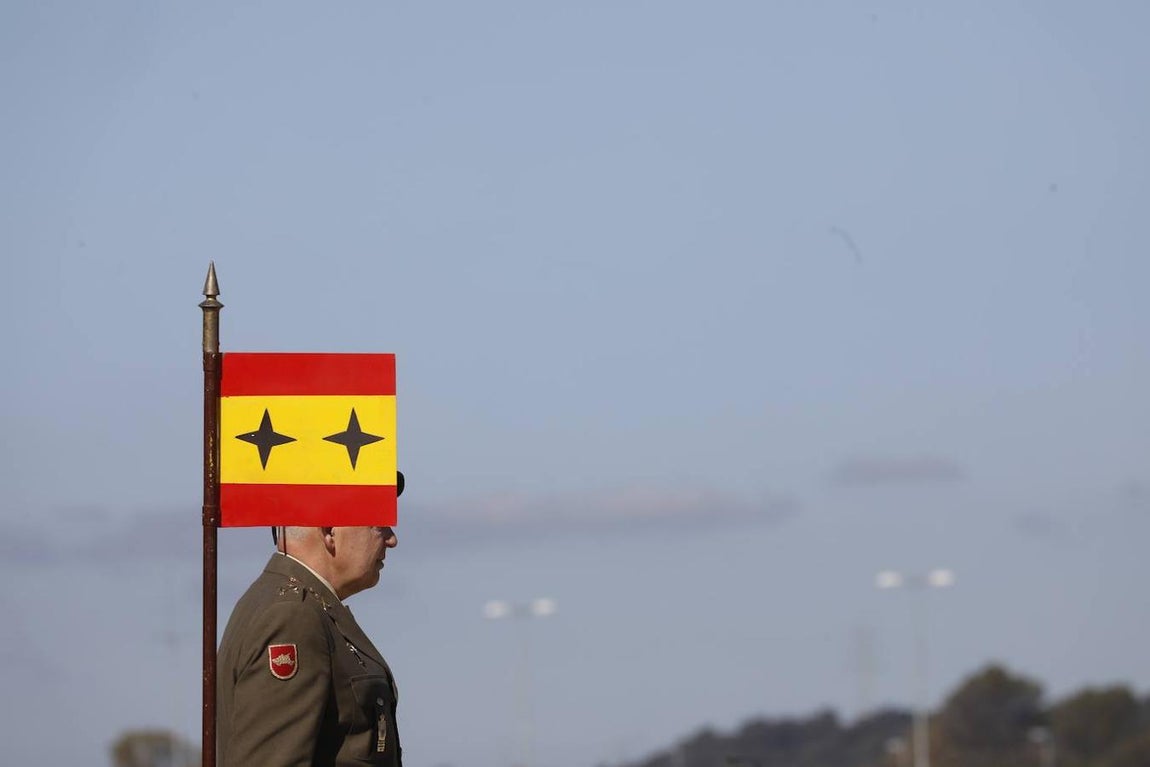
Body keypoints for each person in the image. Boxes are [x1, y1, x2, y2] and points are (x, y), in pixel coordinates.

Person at [217, 491, 404, 766]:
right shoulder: (293, 617)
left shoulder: (301, 607)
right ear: (330, 531)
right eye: (378, 524)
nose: (391, 539)